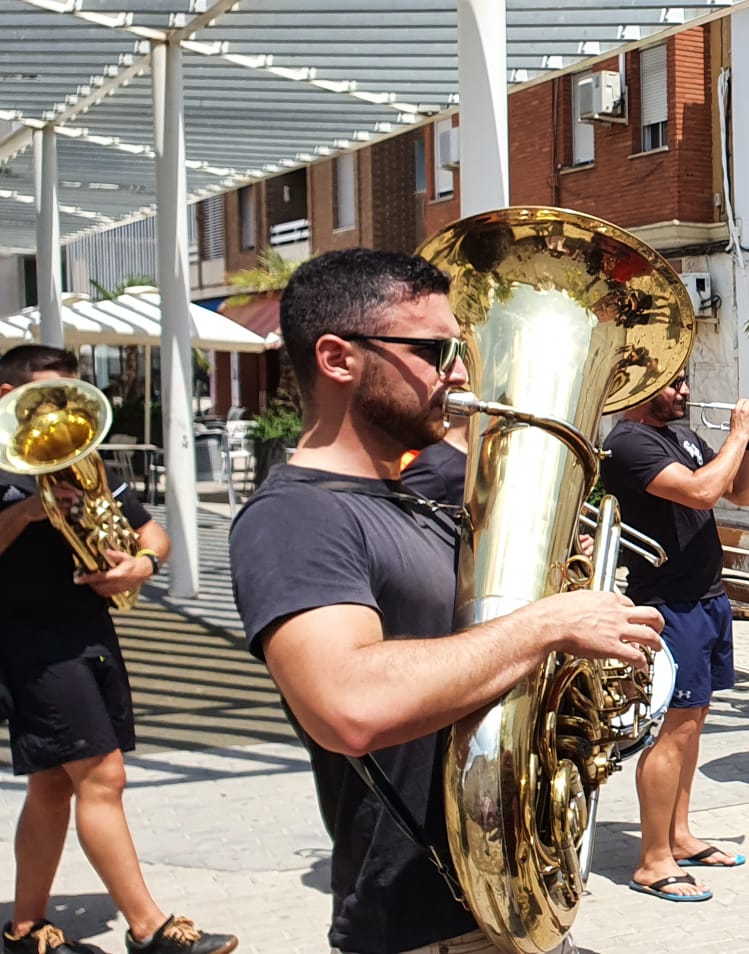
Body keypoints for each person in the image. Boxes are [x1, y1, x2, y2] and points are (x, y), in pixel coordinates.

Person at [228, 248, 664, 954]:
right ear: (338, 358)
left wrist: (574, 603)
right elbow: (349, 705)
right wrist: (549, 623)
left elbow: (480, 661)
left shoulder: (420, 507)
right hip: (419, 927)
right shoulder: (294, 519)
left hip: (499, 904)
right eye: (434, 350)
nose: (460, 372)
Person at [1, 346, 237, 954]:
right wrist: (30, 510)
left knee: (52, 783)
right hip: (31, 647)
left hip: (88, 640)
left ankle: (24, 929)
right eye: (49, 400)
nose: (62, 414)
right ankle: (148, 927)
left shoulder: (83, 461)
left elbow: (148, 527)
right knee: (104, 775)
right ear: (9, 399)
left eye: (70, 400)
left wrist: (141, 564)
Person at [599, 371, 749, 903]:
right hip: (668, 605)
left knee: (691, 724)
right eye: (672, 383)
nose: (684, 390)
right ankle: (652, 861)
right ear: (639, 387)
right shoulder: (628, 442)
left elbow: (741, 495)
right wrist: (740, 430)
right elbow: (701, 493)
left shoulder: (685, 438)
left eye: (684, 380)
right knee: (670, 730)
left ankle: (677, 834)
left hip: (706, 599)